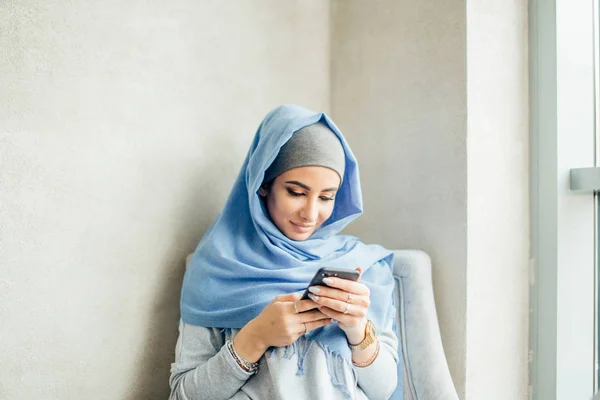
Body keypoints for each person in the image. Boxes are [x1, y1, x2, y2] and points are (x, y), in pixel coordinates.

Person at [169, 105, 400, 400]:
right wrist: (255, 337)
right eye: (296, 192)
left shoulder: (365, 266)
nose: (311, 213)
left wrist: (358, 329)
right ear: (263, 184)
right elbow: (182, 395)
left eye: (327, 197)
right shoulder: (217, 269)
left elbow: (383, 390)